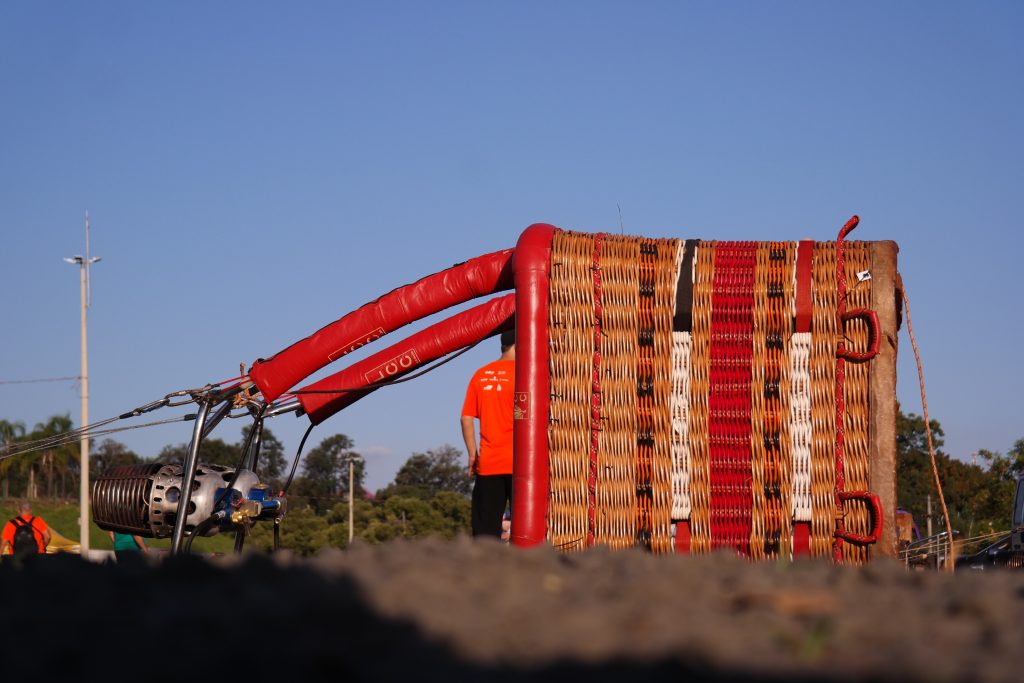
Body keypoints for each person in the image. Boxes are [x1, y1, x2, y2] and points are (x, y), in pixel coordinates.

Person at [461, 328, 515, 538]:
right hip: (520, 464)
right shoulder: (526, 373)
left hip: (489, 463)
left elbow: (466, 418)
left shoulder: (481, 374)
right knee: (526, 527)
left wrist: (472, 454)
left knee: (485, 530)